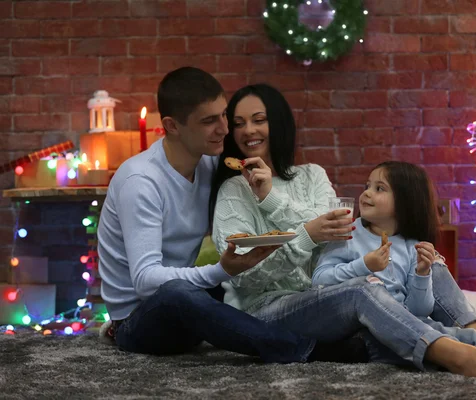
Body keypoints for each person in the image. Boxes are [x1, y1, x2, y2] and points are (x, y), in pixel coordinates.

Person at [210, 83, 476, 380]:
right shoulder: (232, 192)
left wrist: (275, 200)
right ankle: (460, 358)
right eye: (239, 123)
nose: (247, 131)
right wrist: (302, 228)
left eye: (259, 120)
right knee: (363, 290)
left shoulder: (312, 175)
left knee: (429, 259)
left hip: (329, 298)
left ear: (280, 124)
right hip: (271, 309)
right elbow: (245, 277)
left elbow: (333, 227)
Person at [97, 66, 368, 364]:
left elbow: (314, 216)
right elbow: (146, 280)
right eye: (209, 121)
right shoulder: (141, 181)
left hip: (194, 305)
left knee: (222, 292)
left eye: (224, 115)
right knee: (178, 293)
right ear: (172, 126)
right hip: (139, 320)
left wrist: (271, 196)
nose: (225, 130)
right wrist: (221, 270)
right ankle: (305, 349)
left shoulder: (211, 167)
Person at [314, 161, 476, 377]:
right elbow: (319, 280)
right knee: (440, 344)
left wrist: (422, 275)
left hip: (409, 322)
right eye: (367, 186)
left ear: (406, 202)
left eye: (379, 188)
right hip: (368, 328)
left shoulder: (410, 246)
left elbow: (417, 310)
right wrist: (364, 265)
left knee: (464, 336)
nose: (366, 193)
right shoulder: (348, 233)